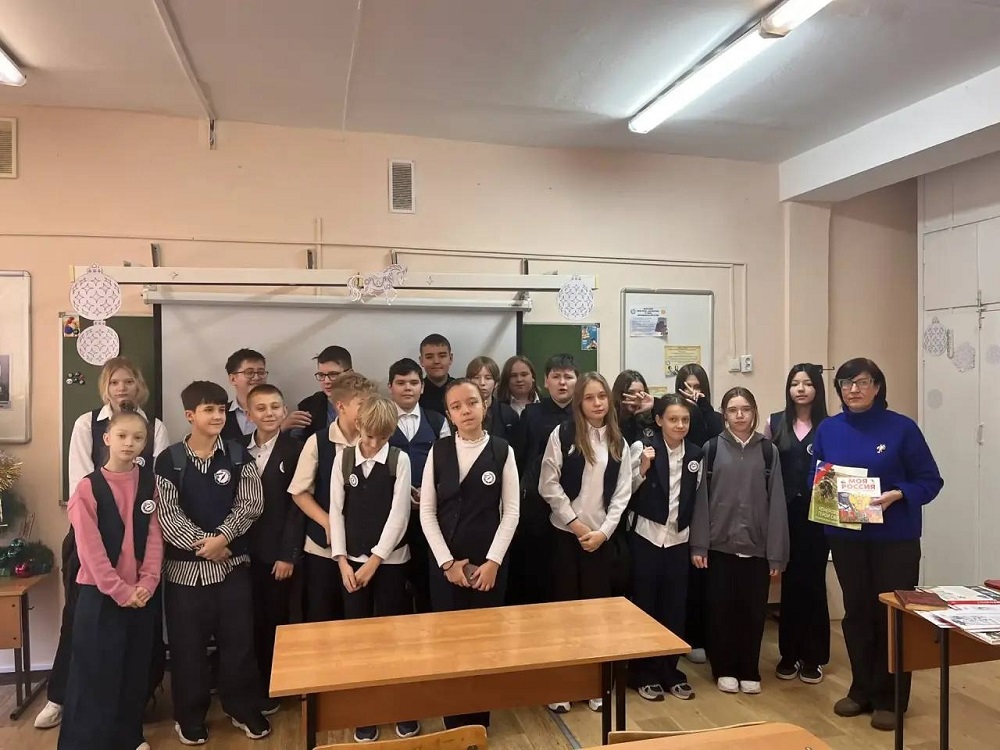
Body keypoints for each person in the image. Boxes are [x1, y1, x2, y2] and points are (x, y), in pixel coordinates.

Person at [38, 357, 170, 731]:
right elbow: (83, 479)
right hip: (95, 535)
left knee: (139, 635)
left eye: (129, 381)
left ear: (139, 386)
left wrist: (144, 579)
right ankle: (61, 697)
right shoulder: (87, 424)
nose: (122, 388)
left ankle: (135, 708)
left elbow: (155, 479)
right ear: (105, 388)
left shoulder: (154, 425)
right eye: (115, 382)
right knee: (80, 627)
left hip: (138, 534)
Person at [813, 358, 943, 731]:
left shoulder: (902, 428)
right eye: (846, 383)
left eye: (862, 382)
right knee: (857, 613)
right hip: (847, 537)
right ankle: (862, 690)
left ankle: (891, 698)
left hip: (894, 539)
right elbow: (817, 475)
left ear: (877, 386)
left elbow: (930, 480)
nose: (853, 389)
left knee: (893, 615)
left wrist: (898, 494)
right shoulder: (829, 429)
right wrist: (822, 491)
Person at [154, 380, 270, 744]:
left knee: (239, 644)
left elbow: (251, 503)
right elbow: (167, 515)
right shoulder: (169, 459)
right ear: (190, 415)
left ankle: (242, 707)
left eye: (221, 409)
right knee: (188, 650)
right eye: (209, 410)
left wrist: (223, 538)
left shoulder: (237, 455)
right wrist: (205, 546)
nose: (218, 416)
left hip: (232, 568)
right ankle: (189, 715)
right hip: (185, 575)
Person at [58, 405, 163, 750]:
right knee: (94, 674)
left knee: (133, 672)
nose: (129, 443)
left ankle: (128, 737)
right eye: (122, 436)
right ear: (106, 439)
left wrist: (147, 582)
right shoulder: (88, 488)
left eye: (138, 438)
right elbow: (89, 549)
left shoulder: (149, 484)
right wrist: (119, 590)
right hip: (100, 595)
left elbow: (155, 537)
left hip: (140, 595)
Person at [420, 379, 520, 730]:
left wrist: (493, 563)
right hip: (447, 564)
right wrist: (447, 563)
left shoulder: (502, 450)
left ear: (484, 405)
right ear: (449, 414)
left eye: (472, 403)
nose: (466, 411)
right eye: (457, 406)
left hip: (488, 565)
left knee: (485, 643)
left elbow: (511, 512)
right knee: (450, 643)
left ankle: (479, 720)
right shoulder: (439, 451)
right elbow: (427, 511)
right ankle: (454, 721)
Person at [540, 372, 633, 714]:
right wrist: (576, 525)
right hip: (566, 537)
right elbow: (548, 485)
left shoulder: (618, 441)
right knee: (565, 614)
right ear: (579, 402)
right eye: (590, 397)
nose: (597, 403)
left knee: (596, 615)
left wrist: (603, 532)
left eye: (602, 397)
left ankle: (595, 685)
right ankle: (564, 685)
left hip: (600, 541)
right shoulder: (563, 434)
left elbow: (622, 494)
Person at [690, 387, 788, 696]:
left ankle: (749, 668)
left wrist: (776, 554)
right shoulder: (711, 449)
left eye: (745, 409)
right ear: (724, 414)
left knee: (753, 612)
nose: (740, 415)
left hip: (756, 548)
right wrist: (699, 545)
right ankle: (724, 668)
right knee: (721, 611)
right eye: (733, 410)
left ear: (754, 411)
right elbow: (701, 502)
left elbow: (777, 505)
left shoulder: (768, 451)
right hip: (719, 547)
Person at [330, 396, 418, 743]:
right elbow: (336, 511)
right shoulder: (343, 459)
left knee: (393, 636)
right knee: (358, 639)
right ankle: (364, 710)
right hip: (351, 563)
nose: (374, 443)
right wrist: (342, 560)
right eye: (368, 436)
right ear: (358, 427)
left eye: (383, 437)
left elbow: (400, 515)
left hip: (391, 563)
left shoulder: (399, 460)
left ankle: (400, 706)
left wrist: (376, 559)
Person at [627, 394, 701, 702]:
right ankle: (642, 672)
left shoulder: (695, 454)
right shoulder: (643, 448)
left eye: (684, 419)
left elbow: (697, 497)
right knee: (646, 606)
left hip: (678, 540)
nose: (679, 425)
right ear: (659, 421)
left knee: (674, 608)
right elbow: (625, 491)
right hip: (646, 536)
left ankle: (670, 670)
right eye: (672, 419)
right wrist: (642, 469)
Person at [289, 372, 377, 623]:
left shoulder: (375, 440)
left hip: (363, 547)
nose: (368, 411)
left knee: (359, 616)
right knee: (323, 614)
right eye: (362, 404)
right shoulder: (318, 441)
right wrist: (328, 523)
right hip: (322, 548)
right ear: (341, 406)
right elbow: (299, 492)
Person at [765, 364, 830, 685]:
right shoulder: (774, 422)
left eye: (807, 383)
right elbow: (765, 466)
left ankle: (813, 657)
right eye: (795, 383)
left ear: (818, 388)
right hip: (784, 513)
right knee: (789, 584)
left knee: (814, 582)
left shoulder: (830, 425)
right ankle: (788, 654)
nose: (801, 389)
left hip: (819, 515)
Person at [243, 384, 305, 699]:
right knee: (247, 621)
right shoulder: (236, 450)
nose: (269, 413)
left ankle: (277, 685)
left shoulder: (297, 450)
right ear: (249, 414)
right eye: (261, 408)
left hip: (278, 555)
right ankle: (253, 685)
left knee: (277, 619)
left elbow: (298, 507)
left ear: (284, 411)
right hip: (241, 554)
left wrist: (288, 554)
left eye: (275, 407)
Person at [507, 353, 578, 606]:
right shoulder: (531, 414)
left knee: (567, 577)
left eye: (568, 377)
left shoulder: (584, 414)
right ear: (546, 381)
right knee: (535, 573)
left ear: (577, 381)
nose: (562, 382)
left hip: (574, 506)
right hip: (536, 507)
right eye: (556, 377)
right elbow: (518, 460)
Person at [387, 358, 450, 614]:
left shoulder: (437, 421)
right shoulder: (379, 421)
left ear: (422, 387)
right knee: (394, 583)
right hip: (390, 515)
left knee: (427, 578)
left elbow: (448, 465)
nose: (407, 388)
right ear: (390, 387)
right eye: (401, 383)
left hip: (430, 513)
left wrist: (429, 492)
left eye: (413, 382)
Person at [674, 362, 724, 665]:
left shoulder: (713, 416)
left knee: (706, 575)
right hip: (679, 503)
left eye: (697, 387)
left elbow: (712, 440)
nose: (692, 392)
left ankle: (705, 638)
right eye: (686, 387)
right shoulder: (675, 418)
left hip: (711, 502)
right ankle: (684, 636)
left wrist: (702, 407)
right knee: (685, 578)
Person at [222, 348, 311, 440]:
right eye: (249, 373)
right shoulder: (221, 414)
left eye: (261, 372)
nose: (256, 377)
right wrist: (280, 429)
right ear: (233, 379)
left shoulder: (281, 414)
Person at [295, 346, 353, 438]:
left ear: (349, 374)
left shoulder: (367, 405)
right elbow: (296, 441)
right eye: (321, 375)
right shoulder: (309, 407)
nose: (326, 381)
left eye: (333, 374)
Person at [466, 355, 519, 444]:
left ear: (496, 383)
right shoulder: (462, 412)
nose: (482, 383)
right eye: (476, 377)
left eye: (488, 378)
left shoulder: (508, 414)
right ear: (468, 381)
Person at [612, 369, 655, 445]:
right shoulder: (610, 419)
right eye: (630, 393)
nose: (636, 397)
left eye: (640, 393)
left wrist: (654, 404)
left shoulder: (648, 418)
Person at [418, 333, 456, 417]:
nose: (436, 361)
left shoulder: (461, 389)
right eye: (429, 357)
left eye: (442, 356)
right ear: (421, 361)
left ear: (450, 358)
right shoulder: (416, 392)